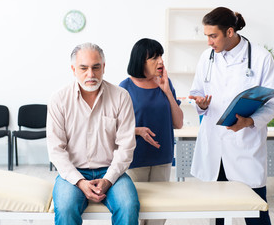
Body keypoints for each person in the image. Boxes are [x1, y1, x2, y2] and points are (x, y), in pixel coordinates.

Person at [188, 7, 274, 225]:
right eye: (207, 36)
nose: (209, 42)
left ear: (230, 32)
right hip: (215, 147)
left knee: (257, 212)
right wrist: (199, 103)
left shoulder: (260, 58)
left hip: (245, 146)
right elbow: (196, 92)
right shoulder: (207, 57)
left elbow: (273, 104)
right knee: (218, 211)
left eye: (213, 36)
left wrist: (249, 121)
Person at [47, 42, 140, 225]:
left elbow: (126, 146)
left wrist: (108, 179)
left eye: (96, 67)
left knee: (128, 206)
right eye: (84, 68)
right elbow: (56, 149)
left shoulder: (121, 97)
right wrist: (79, 181)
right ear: (73, 69)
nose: (91, 74)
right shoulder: (59, 99)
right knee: (65, 209)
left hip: (111, 169)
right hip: (73, 171)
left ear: (103, 67)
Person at [119, 38, 183, 225]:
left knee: (158, 214)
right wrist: (138, 130)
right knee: (135, 212)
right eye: (154, 58)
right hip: (134, 159)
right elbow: (114, 128)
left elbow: (178, 123)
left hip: (162, 158)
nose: (161, 61)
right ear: (140, 61)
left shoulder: (165, 83)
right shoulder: (125, 88)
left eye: (161, 56)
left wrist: (167, 92)